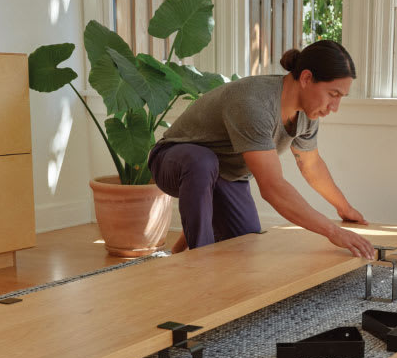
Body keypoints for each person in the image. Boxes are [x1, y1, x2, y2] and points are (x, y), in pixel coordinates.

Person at [148, 40, 375, 259]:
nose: (334, 107)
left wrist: (345, 209)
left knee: (245, 248)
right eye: (332, 94)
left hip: (226, 176)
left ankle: (180, 251)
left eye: (340, 97)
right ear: (306, 78)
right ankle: (199, 261)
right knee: (203, 162)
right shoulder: (254, 103)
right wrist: (333, 232)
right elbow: (272, 188)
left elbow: (311, 165)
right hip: (174, 161)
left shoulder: (307, 114)